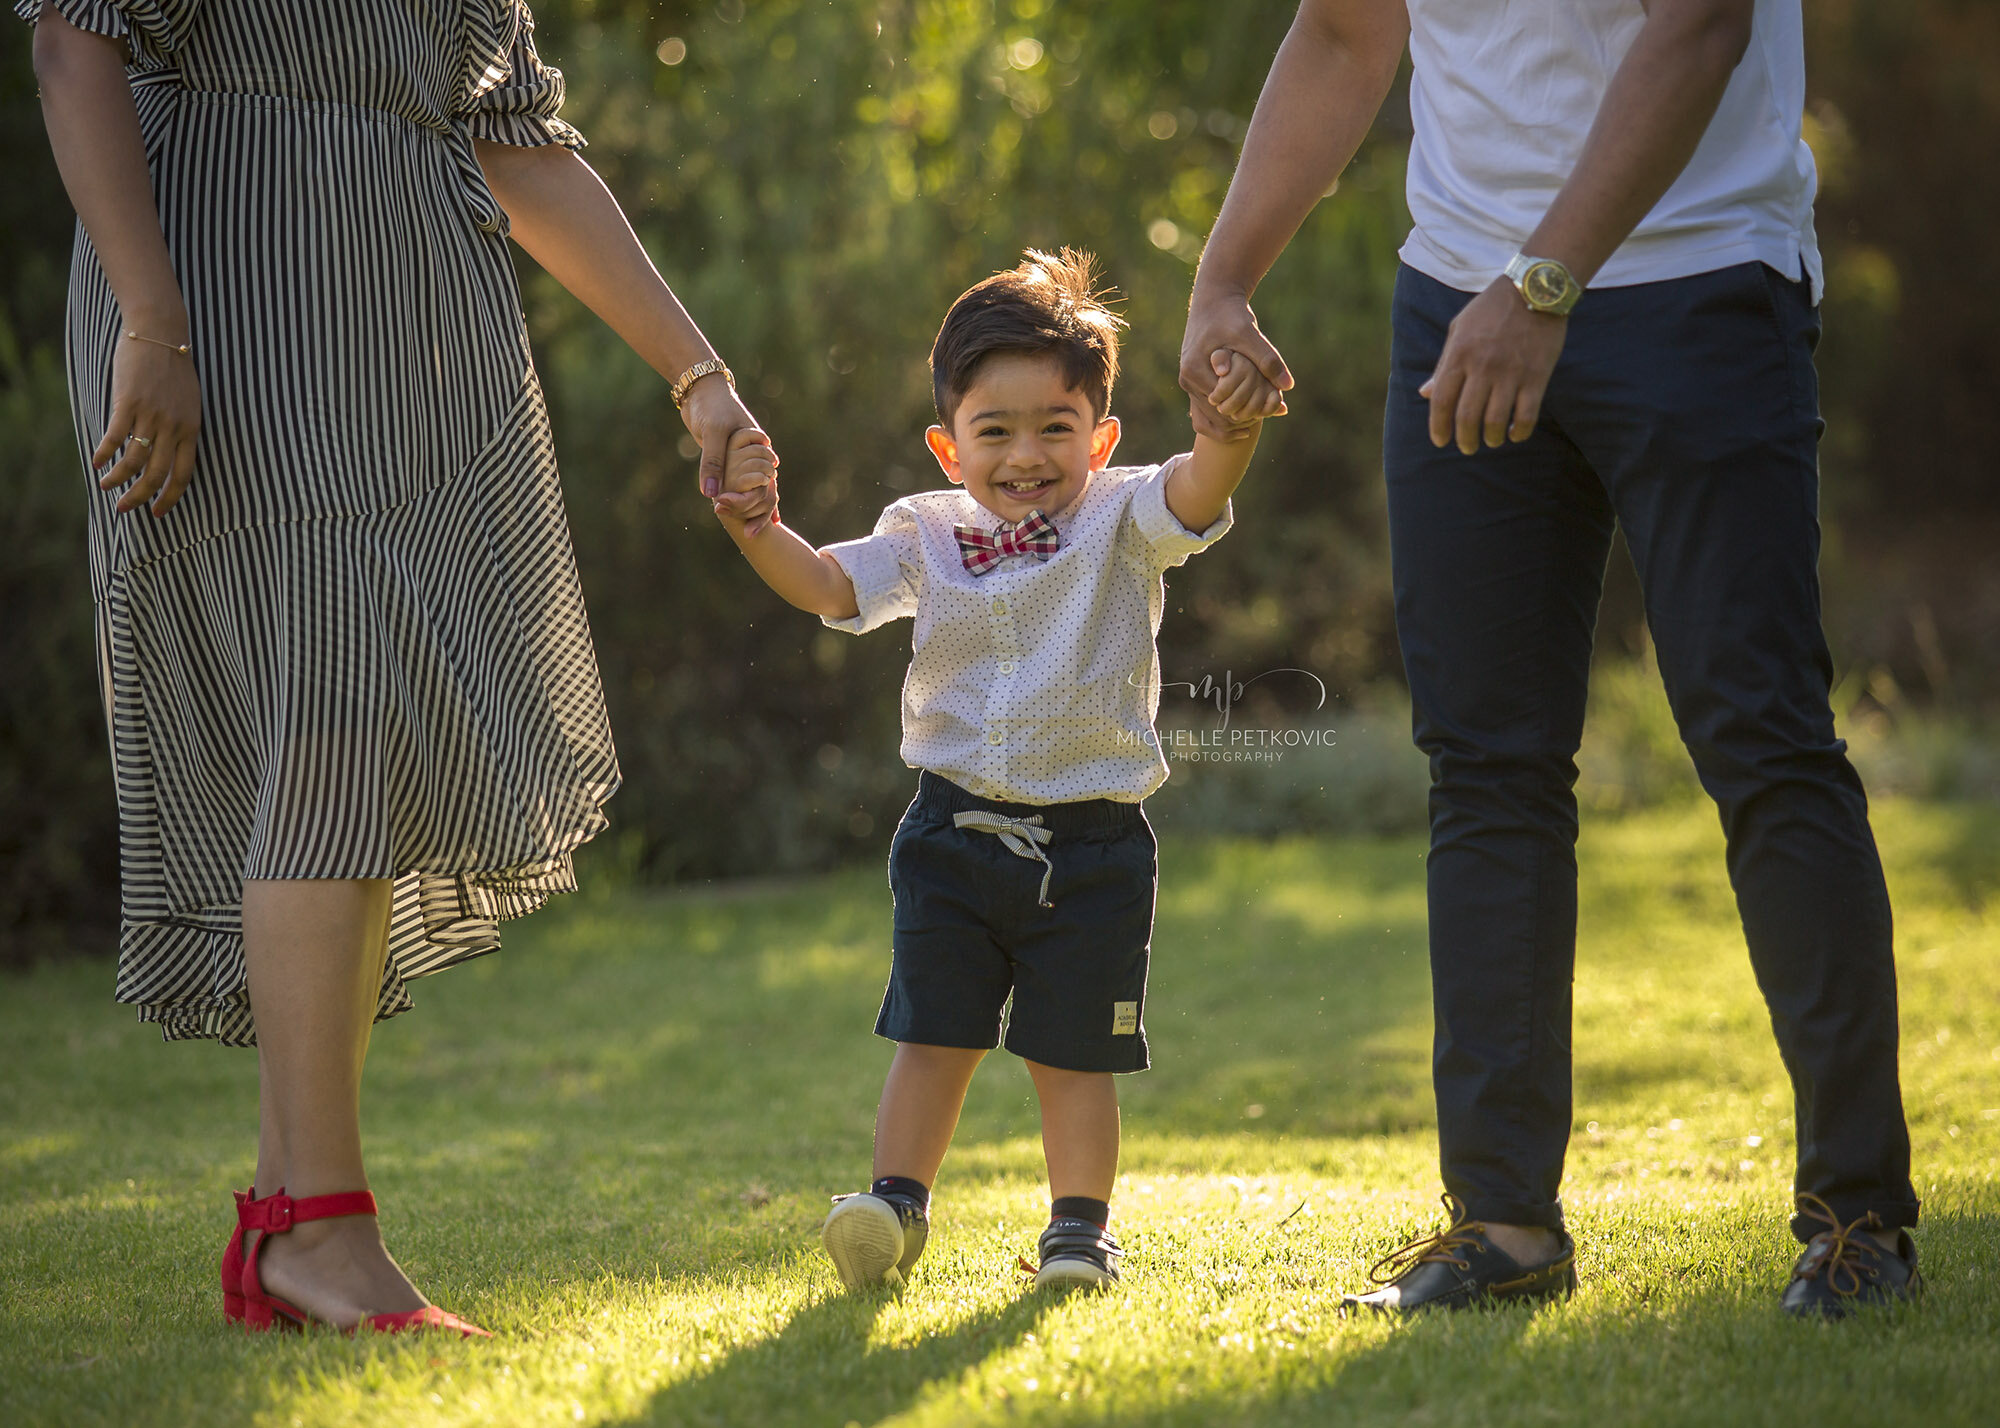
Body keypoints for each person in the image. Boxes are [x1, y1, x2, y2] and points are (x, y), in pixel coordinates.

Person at [24, 0, 766, 1334]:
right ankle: (322, 1226)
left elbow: (521, 149)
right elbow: (72, 44)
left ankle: (282, 1221)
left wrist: (697, 376)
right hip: (231, 311)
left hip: (400, 342)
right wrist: (151, 315)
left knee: (346, 734)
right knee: (321, 712)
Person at [1181, 0, 1919, 1317]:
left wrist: (1541, 285)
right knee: (1484, 763)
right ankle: (1505, 1224)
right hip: (1458, 297)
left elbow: (1700, 29)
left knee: (1760, 740)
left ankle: (1859, 1221)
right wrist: (1225, 276)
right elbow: (1349, 34)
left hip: (1699, 288)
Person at [709, 249, 1282, 1289]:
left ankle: (1077, 1229)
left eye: (1054, 427)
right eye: (994, 431)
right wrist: (762, 532)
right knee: (933, 1035)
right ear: (948, 444)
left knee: (1073, 1056)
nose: (1026, 455)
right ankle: (893, 1206)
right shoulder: (924, 533)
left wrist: (1225, 434)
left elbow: (1195, 493)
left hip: (1093, 844)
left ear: (1098, 437)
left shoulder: (1120, 517)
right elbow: (829, 586)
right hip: (951, 834)